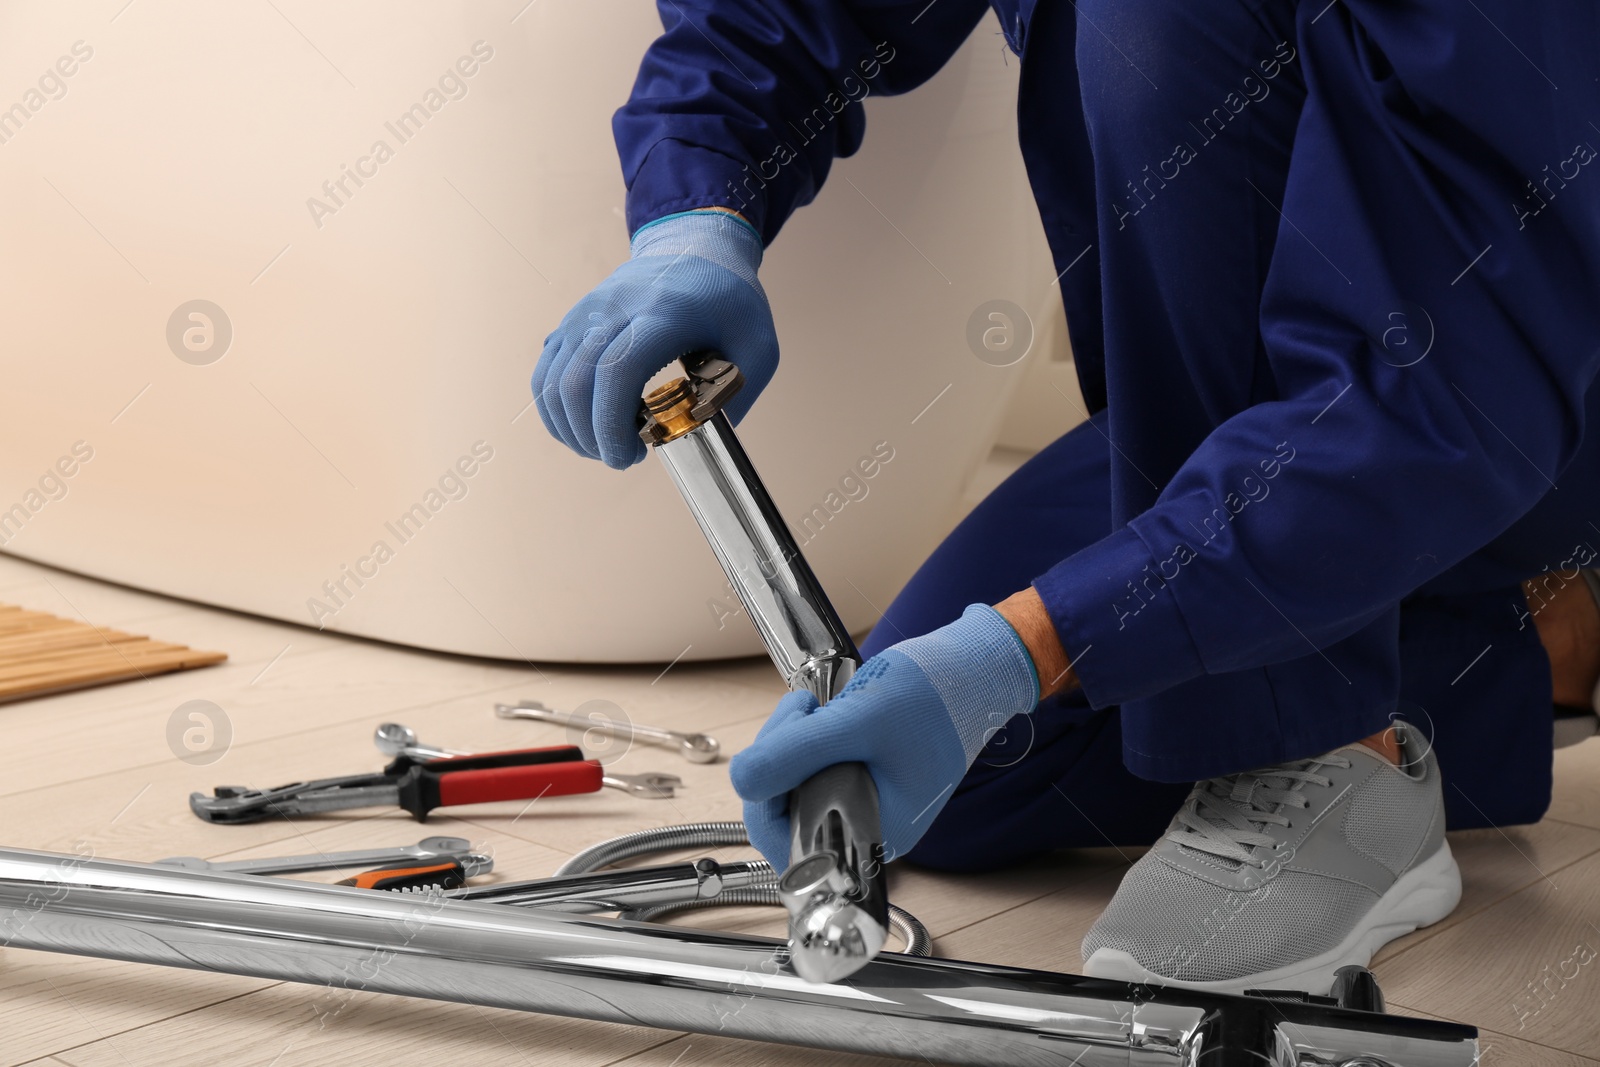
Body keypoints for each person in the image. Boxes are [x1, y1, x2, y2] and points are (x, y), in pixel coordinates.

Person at [532, 0, 1600, 992]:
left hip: (1509, 379)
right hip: (1300, 415)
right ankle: (1512, 634)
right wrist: (696, 216)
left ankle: (1323, 742)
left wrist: (1019, 648)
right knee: (961, 783)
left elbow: (1460, 387)